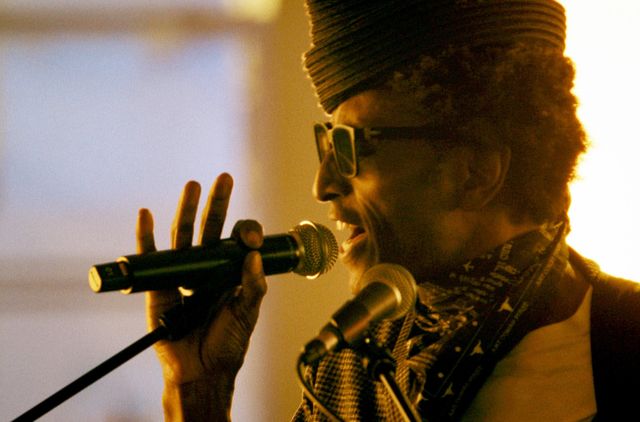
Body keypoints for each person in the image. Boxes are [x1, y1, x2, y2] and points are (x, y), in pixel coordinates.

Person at [137, 0, 640, 420]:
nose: (323, 185)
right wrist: (197, 391)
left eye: (351, 146)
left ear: (474, 171)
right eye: (325, 143)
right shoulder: (349, 368)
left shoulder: (622, 341)